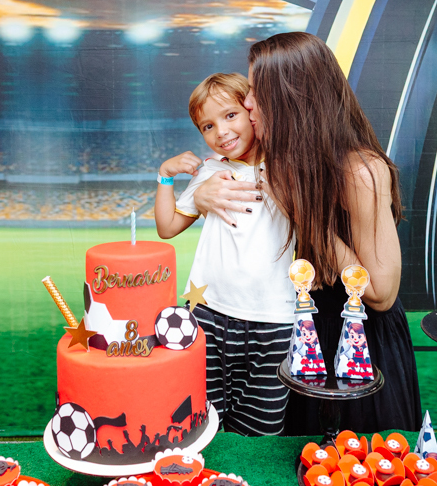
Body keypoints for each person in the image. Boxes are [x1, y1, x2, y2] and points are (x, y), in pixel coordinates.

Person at [191, 32, 422, 434]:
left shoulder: (360, 170)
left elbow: (382, 293)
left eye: (256, 93)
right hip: (304, 335)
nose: (246, 103)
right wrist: (204, 194)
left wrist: (302, 213)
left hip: (356, 347)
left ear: (289, 97)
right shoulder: (279, 156)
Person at [154, 72, 295, 436]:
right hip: (207, 313)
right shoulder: (209, 172)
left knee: (261, 430)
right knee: (201, 422)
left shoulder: (289, 165)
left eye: (230, 115)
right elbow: (167, 227)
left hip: (274, 319)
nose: (221, 132)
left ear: (252, 110)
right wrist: (164, 177)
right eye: (207, 125)